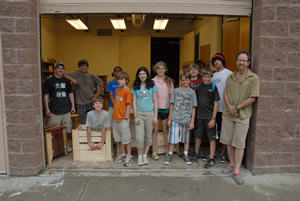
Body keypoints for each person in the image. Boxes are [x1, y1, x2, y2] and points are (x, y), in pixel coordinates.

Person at [220, 50, 259, 185]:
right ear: (236, 62)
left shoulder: (253, 78)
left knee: (239, 143)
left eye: (244, 60)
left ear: (248, 63)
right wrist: (230, 107)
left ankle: (237, 170)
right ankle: (231, 164)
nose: (241, 62)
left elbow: (253, 97)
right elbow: (225, 94)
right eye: (239, 60)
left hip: (242, 116)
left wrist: (237, 107)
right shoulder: (230, 77)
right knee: (229, 141)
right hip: (229, 114)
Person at [164, 71, 197, 165]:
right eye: (183, 80)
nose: (185, 81)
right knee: (173, 137)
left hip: (186, 118)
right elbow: (172, 105)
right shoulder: (176, 91)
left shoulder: (192, 92)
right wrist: (169, 118)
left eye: (187, 80)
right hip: (175, 117)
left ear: (190, 80)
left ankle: (186, 154)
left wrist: (192, 121)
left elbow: (194, 107)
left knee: (186, 138)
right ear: (181, 80)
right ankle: (169, 154)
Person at [193, 67, 220, 168]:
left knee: (211, 138)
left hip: (209, 117)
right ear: (201, 77)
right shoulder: (199, 86)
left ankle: (212, 158)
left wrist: (213, 118)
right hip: (199, 116)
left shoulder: (213, 87)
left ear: (211, 77)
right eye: (204, 77)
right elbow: (195, 102)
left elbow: (216, 103)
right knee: (198, 136)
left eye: (208, 77)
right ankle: (196, 153)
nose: (206, 79)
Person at [132, 67, 158, 166]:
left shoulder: (152, 86)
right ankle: (139, 157)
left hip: (150, 114)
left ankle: (145, 156)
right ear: (138, 76)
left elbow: (155, 101)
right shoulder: (135, 87)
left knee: (148, 136)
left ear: (147, 75)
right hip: (139, 114)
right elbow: (134, 103)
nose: (142, 76)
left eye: (144, 74)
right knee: (139, 137)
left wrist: (155, 116)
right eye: (140, 74)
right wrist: (135, 116)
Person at [64, 59, 104, 124]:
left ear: (87, 67)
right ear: (79, 67)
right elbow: (64, 74)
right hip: (80, 103)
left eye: (85, 66)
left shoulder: (91, 76)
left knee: (93, 121)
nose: (83, 67)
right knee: (83, 122)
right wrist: (72, 79)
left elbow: (101, 83)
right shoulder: (76, 74)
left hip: (91, 101)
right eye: (81, 66)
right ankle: (85, 134)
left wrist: (97, 94)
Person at [211, 53, 232, 163]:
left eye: (218, 60)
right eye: (214, 60)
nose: (216, 62)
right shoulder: (213, 75)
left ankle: (223, 153)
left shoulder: (229, 74)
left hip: (224, 107)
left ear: (223, 61)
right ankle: (213, 152)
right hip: (214, 108)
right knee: (214, 131)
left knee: (225, 132)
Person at [44, 61, 76, 136]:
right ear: (55, 69)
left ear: (64, 70)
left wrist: (73, 106)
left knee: (67, 130)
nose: (60, 70)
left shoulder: (67, 81)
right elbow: (46, 95)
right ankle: (54, 147)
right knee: (54, 131)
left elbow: (70, 94)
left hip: (66, 111)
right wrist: (47, 108)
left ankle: (65, 146)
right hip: (55, 111)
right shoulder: (49, 81)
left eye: (62, 68)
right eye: (58, 68)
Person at [152, 61, 174, 160]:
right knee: (155, 131)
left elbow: (171, 98)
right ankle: (154, 152)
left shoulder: (169, 81)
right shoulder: (152, 81)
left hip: (166, 109)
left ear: (165, 70)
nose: (160, 70)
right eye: (158, 68)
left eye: (162, 68)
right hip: (155, 109)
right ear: (156, 70)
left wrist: (170, 113)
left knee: (166, 130)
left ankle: (168, 151)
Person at [112, 71, 133, 167]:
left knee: (126, 138)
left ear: (126, 80)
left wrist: (126, 118)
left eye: (121, 79)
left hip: (123, 119)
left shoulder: (128, 91)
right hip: (115, 118)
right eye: (118, 79)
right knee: (120, 138)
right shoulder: (118, 91)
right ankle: (123, 154)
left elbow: (128, 105)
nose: (119, 81)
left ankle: (129, 155)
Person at [188, 63, 203, 159]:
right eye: (191, 69)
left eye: (195, 69)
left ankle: (196, 152)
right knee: (188, 130)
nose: (193, 71)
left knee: (197, 131)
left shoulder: (201, 82)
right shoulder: (186, 81)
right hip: (188, 108)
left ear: (198, 72)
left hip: (199, 108)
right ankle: (187, 150)